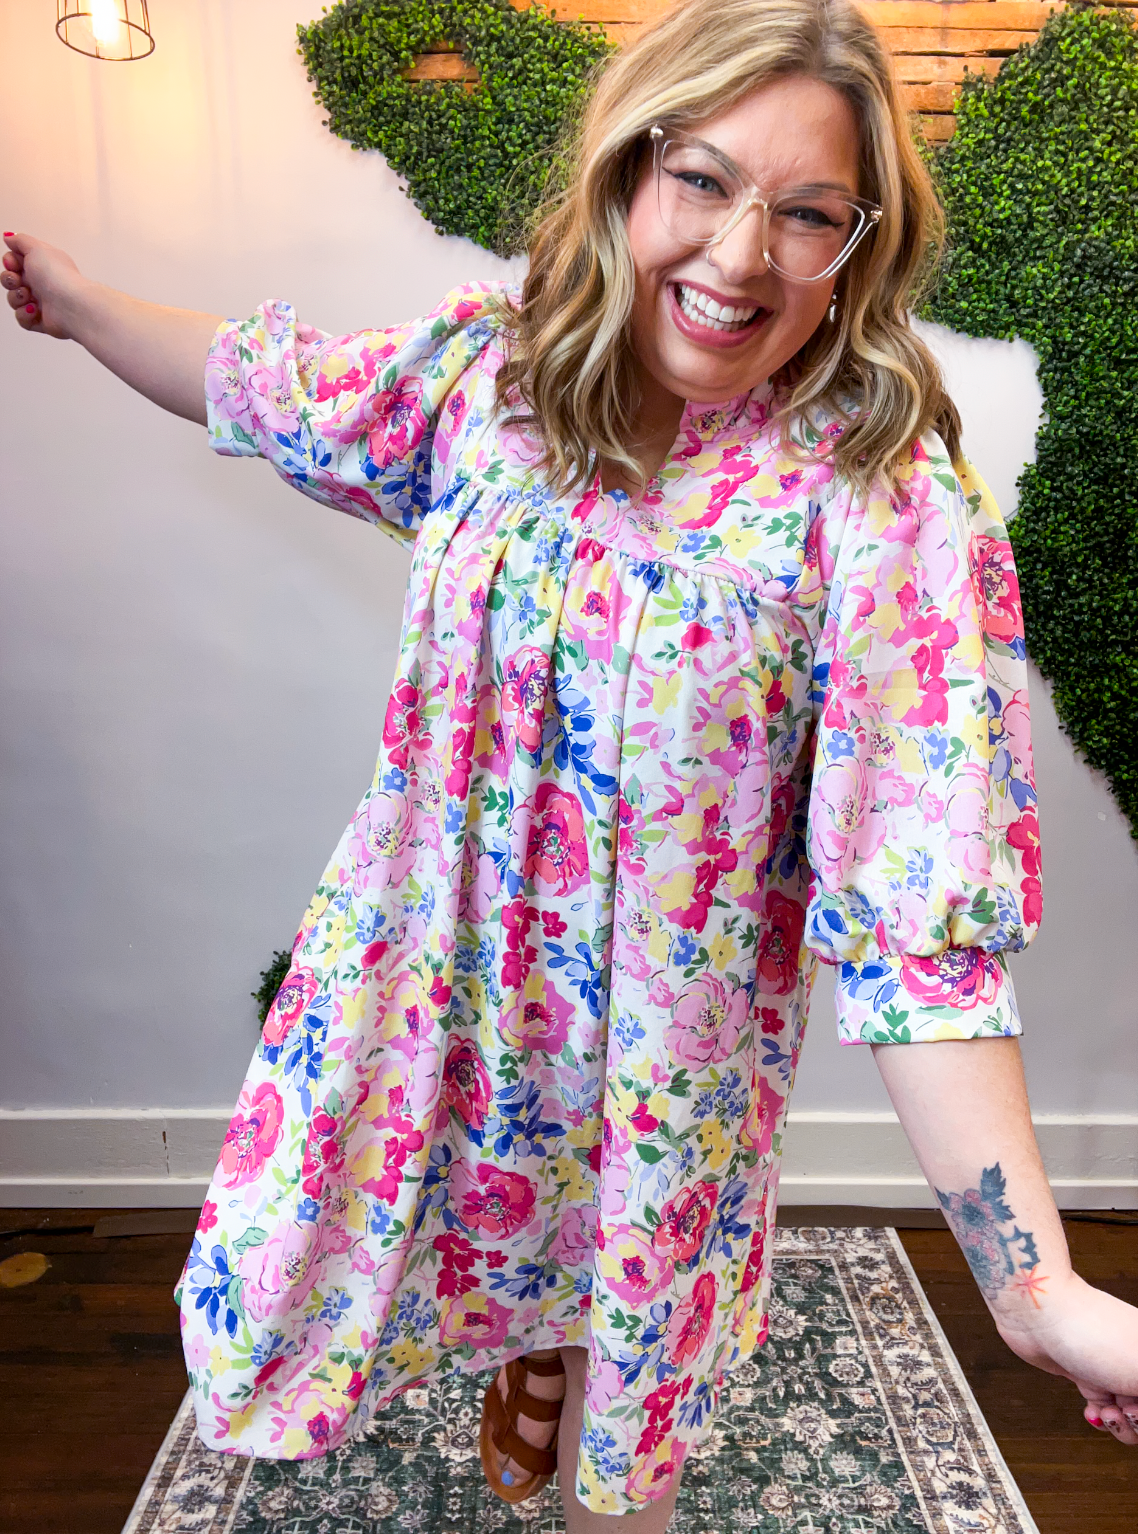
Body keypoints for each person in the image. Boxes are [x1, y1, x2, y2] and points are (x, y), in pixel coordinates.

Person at [5, 0, 1136, 1525]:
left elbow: (914, 906)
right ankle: (531, 1332)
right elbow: (269, 385)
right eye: (701, 180)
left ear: (856, 247)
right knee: (344, 1288)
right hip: (428, 1011)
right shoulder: (491, 382)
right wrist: (78, 304)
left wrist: (1035, 1286)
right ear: (624, 169)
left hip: (661, 1087)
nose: (740, 255)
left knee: (621, 1456)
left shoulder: (878, 502)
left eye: (807, 213)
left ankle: (569, 1346)